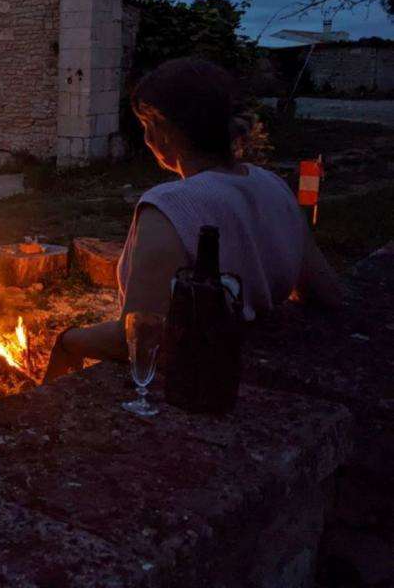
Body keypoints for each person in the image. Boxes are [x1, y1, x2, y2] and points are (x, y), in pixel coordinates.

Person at [43, 57, 343, 383]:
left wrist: (68, 341)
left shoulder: (169, 207)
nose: (145, 139)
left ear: (165, 131)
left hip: (203, 386)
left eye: (147, 126)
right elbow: (325, 291)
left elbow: (138, 336)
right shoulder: (275, 186)